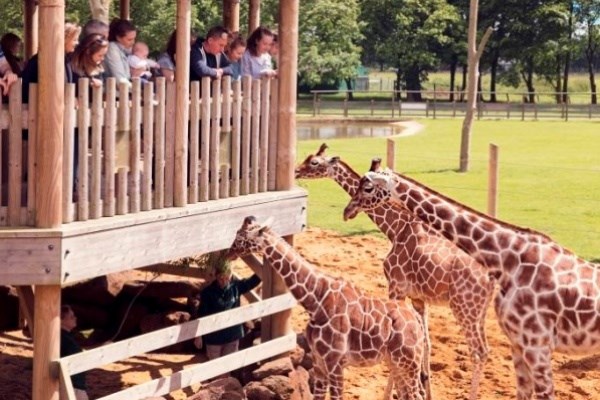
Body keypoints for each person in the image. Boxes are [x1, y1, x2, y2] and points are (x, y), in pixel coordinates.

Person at [194, 256, 261, 361]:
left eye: (226, 278)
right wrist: (198, 336)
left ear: (230, 276)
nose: (223, 281)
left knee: (229, 366)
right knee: (215, 369)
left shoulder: (236, 287)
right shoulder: (207, 293)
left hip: (232, 336)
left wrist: (265, 267)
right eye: (220, 278)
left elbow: (253, 281)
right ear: (216, 276)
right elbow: (201, 314)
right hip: (214, 338)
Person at [61, 305, 89, 400]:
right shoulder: (65, 339)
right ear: (61, 321)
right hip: (74, 385)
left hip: (74, 384)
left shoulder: (68, 337)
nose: (75, 318)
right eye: (71, 317)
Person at [104, 18, 137, 85]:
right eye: (129, 39)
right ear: (118, 38)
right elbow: (120, 79)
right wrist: (138, 91)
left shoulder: (125, 49)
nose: (133, 42)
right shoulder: (112, 49)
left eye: (134, 39)